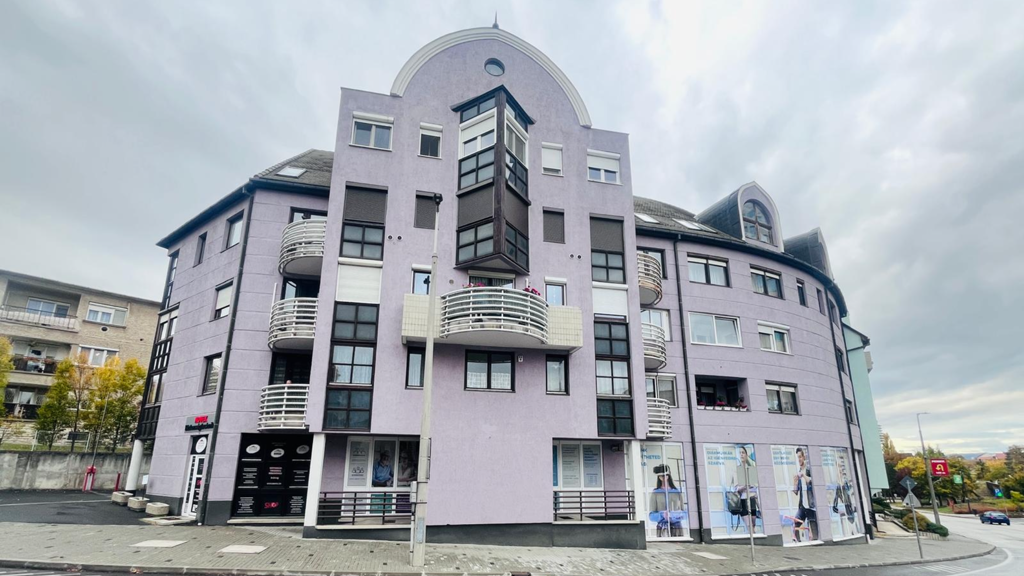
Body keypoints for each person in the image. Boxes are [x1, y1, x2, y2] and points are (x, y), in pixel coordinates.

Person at [648, 465, 686, 537]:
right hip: (662, 527)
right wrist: (662, 515)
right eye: (661, 476)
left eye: (665, 475)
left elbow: (684, 513)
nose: (663, 477)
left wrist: (673, 515)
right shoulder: (656, 493)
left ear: (668, 476)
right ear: (659, 477)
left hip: (676, 527)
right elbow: (651, 515)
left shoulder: (676, 492)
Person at [731, 445, 759, 535]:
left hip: (752, 500)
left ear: (747, 454)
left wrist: (758, 504)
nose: (741, 455)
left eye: (743, 453)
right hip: (743, 500)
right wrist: (745, 486)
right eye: (740, 453)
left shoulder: (751, 469)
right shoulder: (737, 469)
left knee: (753, 524)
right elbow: (736, 488)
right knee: (749, 525)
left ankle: (754, 540)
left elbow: (755, 488)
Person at [792, 447, 817, 541]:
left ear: (804, 457)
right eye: (797, 457)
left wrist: (803, 475)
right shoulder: (799, 472)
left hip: (811, 505)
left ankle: (816, 543)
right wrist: (795, 482)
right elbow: (796, 492)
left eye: (800, 457)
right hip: (802, 506)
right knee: (796, 522)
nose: (799, 459)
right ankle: (798, 542)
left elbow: (811, 482)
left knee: (814, 531)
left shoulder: (809, 469)